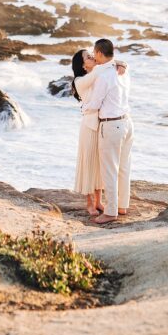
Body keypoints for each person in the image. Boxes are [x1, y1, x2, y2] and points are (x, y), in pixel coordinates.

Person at [82, 38, 134, 225]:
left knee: (109, 170)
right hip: (127, 122)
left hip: (111, 126)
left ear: (98, 53)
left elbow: (95, 104)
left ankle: (111, 211)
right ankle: (122, 206)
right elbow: (122, 65)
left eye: (94, 53)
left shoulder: (104, 76)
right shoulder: (122, 72)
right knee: (124, 167)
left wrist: (84, 108)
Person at [70, 49, 105, 217]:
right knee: (89, 164)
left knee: (100, 165)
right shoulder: (80, 80)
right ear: (83, 65)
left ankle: (99, 201)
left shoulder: (98, 75)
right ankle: (90, 203)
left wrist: (122, 65)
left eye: (92, 55)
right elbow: (101, 68)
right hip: (89, 126)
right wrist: (108, 62)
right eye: (88, 57)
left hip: (103, 125)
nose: (92, 57)